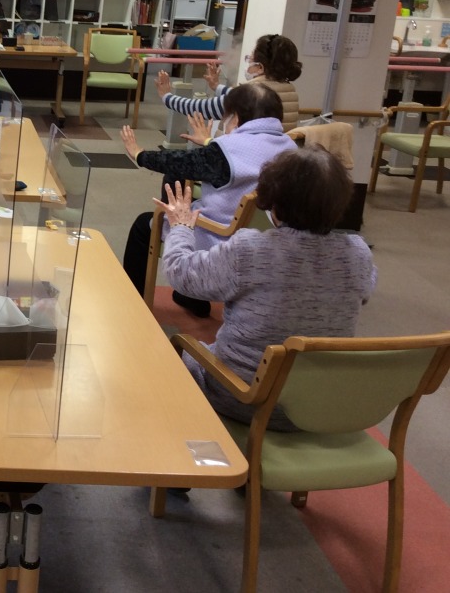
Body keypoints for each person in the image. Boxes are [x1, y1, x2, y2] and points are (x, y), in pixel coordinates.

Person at [154, 146, 377, 430]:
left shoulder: (252, 249)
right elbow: (366, 288)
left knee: (172, 352)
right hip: (318, 405)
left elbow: (181, 273)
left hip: (243, 397)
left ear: (275, 202)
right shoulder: (358, 254)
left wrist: (182, 227)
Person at [120, 81, 296, 316]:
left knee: (144, 226)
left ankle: (132, 302)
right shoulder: (291, 148)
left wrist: (139, 154)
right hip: (267, 238)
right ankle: (190, 295)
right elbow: (247, 157)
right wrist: (208, 144)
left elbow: (178, 162)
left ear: (235, 118)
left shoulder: (225, 150)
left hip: (220, 236)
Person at [155, 33, 303, 131]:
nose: (248, 63)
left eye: (249, 59)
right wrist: (217, 86)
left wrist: (167, 96)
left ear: (260, 67)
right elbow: (244, 99)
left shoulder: (251, 93)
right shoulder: (289, 89)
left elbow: (199, 108)